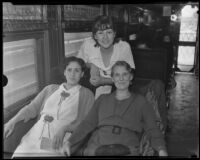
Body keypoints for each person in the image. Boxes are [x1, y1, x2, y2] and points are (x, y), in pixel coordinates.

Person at [63, 61, 168, 156]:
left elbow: (152, 129)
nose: (121, 79)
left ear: (130, 77)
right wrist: (70, 142)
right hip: (97, 146)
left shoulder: (141, 102)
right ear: (112, 79)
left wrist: (161, 149)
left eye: (125, 74)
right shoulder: (102, 99)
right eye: (117, 75)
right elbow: (87, 124)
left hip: (127, 147)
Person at [4, 56, 95, 157]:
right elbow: (31, 108)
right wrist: (12, 121)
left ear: (82, 74)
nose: (72, 74)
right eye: (69, 70)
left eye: (77, 70)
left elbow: (86, 123)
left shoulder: (87, 94)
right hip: (35, 136)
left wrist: (65, 128)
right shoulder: (50, 89)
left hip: (57, 141)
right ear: (64, 72)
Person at [77, 15, 135, 99]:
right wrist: (91, 65)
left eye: (109, 32)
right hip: (90, 92)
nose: (105, 37)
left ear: (114, 33)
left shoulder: (123, 47)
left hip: (117, 91)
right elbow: (77, 65)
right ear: (95, 36)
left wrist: (103, 81)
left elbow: (130, 76)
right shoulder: (88, 44)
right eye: (100, 33)